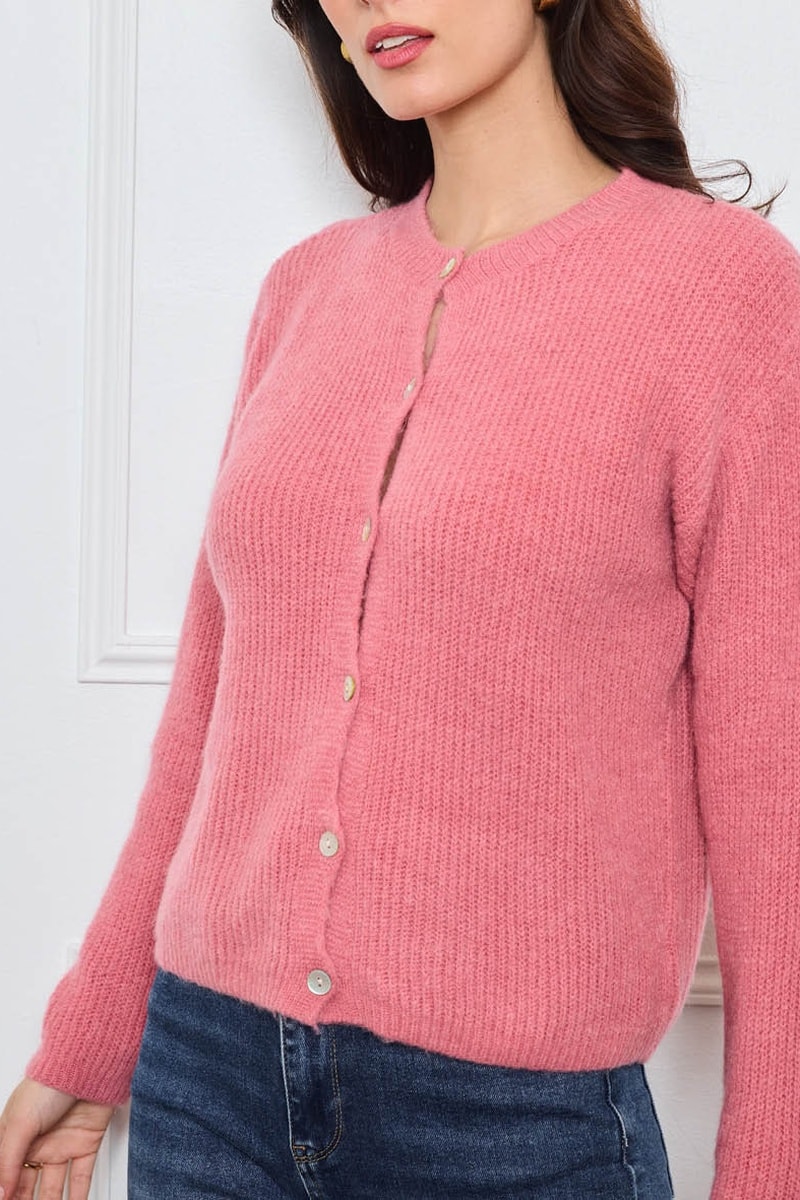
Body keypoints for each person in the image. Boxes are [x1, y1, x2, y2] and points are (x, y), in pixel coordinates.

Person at [2, 0, 799, 1196]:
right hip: (207, 1081)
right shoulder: (305, 289)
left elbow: (773, 783)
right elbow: (209, 711)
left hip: (511, 1127)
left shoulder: (722, 292)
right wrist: (93, 1037)